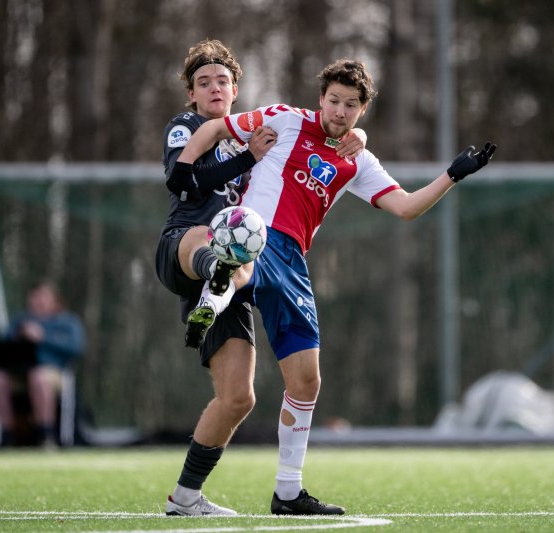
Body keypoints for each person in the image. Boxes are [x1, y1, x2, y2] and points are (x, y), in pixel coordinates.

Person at [170, 58, 497, 515]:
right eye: (333, 101)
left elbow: (404, 206)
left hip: (294, 263)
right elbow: (215, 129)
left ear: (362, 110)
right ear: (320, 99)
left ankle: (287, 492)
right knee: (245, 258)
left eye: (350, 105)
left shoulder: (357, 161)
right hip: (253, 230)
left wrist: (452, 175)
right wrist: (184, 170)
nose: (340, 112)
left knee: (306, 380)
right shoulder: (285, 118)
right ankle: (219, 287)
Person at [156, 40, 367, 517]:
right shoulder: (188, 127)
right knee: (219, 237)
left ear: (236, 90)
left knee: (238, 397)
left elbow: (325, 125)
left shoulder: (258, 130)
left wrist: (360, 136)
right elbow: (183, 180)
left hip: (233, 278)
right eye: (203, 82)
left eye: (222, 81)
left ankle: (185, 498)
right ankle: (219, 272)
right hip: (185, 249)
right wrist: (246, 159)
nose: (214, 88)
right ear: (191, 94)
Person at [0, 280, 85, 447]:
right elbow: (2, 344)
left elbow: (76, 348)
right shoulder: (20, 321)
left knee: (38, 377)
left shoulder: (67, 322)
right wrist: (17, 337)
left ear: (54, 300)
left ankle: (45, 434)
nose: (38, 301)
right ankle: (7, 436)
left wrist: (43, 337)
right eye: (34, 298)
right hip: (19, 372)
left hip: (54, 373)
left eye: (42, 297)